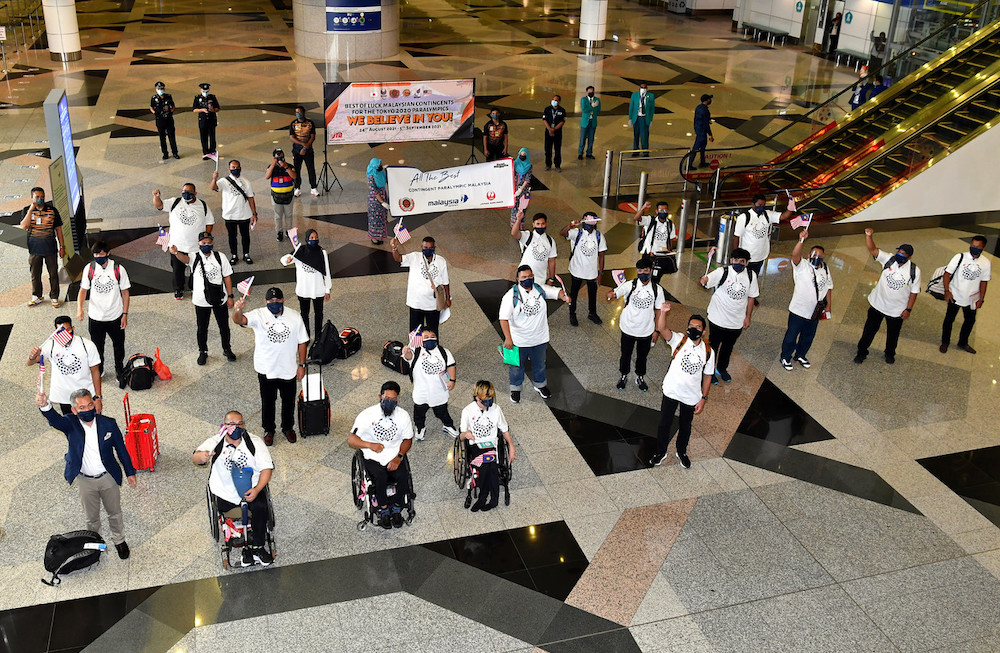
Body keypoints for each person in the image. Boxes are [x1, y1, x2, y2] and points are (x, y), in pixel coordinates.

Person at [36, 388, 136, 560]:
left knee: (115, 512)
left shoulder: (108, 423)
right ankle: (95, 543)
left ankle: (119, 540)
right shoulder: (70, 424)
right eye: (82, 407)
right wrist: (45, 406)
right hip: (85, 480)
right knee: (92, 517)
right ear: (74, 410)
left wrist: (130, 472)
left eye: (90, 404)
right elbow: (55, 421)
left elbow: (121, 449)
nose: (88, 409)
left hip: (108, 477)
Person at [193, 411, 274, 566]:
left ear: (243, 426)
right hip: (225, 492)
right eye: (231, 424)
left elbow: (266, 469)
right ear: (224, 426)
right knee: (228, 509)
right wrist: (201, 457)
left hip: (252, 489)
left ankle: (256, 547)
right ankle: (238, 537)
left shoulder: (254, 442)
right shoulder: (215, 441)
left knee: (260, 507)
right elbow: (196, 457)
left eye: (239, 424)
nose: (235, 428)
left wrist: (257, 490)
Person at [233, 288, 308, 447]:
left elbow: (302, 342)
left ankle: (288, 427)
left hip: (288, 368)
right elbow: (239, 320)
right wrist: (238, 309)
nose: (274, 303)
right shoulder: (259, 315)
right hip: (266, 368)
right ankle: (269, 430)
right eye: (270, 301)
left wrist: (301, 365)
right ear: (266, 302)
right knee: (268, 401)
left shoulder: (294, 316)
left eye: (277, 301)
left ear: (283, 300)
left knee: (288, 401)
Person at [647, 309, 714, 470]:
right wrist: (662, 312)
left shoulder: (708, 351)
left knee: (686, 425)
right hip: (671, 391)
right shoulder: (679, 340)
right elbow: (662, 329)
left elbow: (708, 375)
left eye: (697, 327)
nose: (693, 329)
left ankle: (681, 452)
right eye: (690, 325)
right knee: (665, 423)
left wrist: (703, 398)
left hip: (691, 396)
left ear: (703, 331)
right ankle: (661, 452)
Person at [498, 265, 570, 403]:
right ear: (518, 279)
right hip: (519, 341)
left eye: (530, 276)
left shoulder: (539, 289)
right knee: (516, 368)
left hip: (540, 338)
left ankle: (540, 385)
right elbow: (503, 318)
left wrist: (564, 296)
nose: (528, 279)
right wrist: (508, 338)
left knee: (540, 364)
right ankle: (515, 388)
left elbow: (556, 292)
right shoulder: (510, 296)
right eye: (524, 277)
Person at [348, 381, 414, 529]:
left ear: (397, 400)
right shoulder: (367, 415)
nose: (390, 403)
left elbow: (408, 440)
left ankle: (397, 507)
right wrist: (370, 445)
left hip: (394, 454)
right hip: (372, 455)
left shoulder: (403, 416)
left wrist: (399, 457)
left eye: (393, 400)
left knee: (403, 475)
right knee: (380, 477)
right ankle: (383, 509)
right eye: (387, 399)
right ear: (380, 397)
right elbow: (351, 440)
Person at [854, 229, 921, 365]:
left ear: (909, 258)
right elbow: (872, 250)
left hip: (896, 310)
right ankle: (861, 352)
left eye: (903, 254)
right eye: (899, 252)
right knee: (869, 331)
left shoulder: (914, 271)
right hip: (877, 304)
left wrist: (908, 309)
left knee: (893, 335)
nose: (899, 255)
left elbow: (914, 292)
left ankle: (889, 354)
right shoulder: (889, 259)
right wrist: (869, 236)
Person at [170, 232, 236, 366]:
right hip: (201, 300)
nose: (206, 245)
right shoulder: (195, 257)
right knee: (202, 328)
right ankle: (203, 351)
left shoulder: (220, 257)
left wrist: (230, 296)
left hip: (220, 298)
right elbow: (185, 259)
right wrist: (176, 253)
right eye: (203, 243)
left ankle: (227, 348)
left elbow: (227, 277)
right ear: (199, 244)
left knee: (224, 326)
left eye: (208, 242)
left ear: (212, 243)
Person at [699, 247, 758, 384]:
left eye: (742, 261)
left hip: (736, 321)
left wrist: (748, 316)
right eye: (736, 260)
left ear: (747, 263)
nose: (738, 263)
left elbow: (751, 298)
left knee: (728, 346)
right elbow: (706, 282)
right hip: (717, 318)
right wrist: (703, 280)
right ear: (731, 260)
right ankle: (709, 370)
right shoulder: (722, 272)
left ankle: (722, 368)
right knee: (713, 346)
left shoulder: (751, 276)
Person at [608, 256, 665, 392]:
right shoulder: (630, 285)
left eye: (645, 270)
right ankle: (624, 375)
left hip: (646, 331)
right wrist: (611, 294)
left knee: (642, 356)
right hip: (628, 328)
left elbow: (659, 311)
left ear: (651, 270)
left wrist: (657, 331)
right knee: (625, 354)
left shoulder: (657, 290)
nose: (642, 274)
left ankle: (640, 376)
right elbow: (616, 292)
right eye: (639, 271)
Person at [77, 241, 131, 384]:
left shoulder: (118, 269)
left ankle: (119, 370)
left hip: (115, 316)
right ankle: (99, 370)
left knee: (119, 346)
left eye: (100, 253)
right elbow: (83, 291)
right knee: (97, 347)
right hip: (95, 317)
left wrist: (125, 314)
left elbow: (125, 293)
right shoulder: (90, 268)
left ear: (108, 253)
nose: (98, 256)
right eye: (95, 254)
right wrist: (80, 308)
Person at [779, 230, 833, 371]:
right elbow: (795, 255)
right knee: (791, 336)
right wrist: (801, 240)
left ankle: (801, 355)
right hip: (798, 310)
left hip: (815, 312)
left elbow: (828, 288)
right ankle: (785, 356)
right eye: (814, 255)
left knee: (808, 337)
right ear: (809, 255)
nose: (817, 258)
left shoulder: (825, 268)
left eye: (820, 256)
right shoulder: (802, 266)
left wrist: (828, 307)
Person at [458, 380, 516, 512]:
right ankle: (489, 497)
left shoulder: (496, 409)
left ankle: (486, 497)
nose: (488, 403)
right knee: (487, 465)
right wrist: (466, 434)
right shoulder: (467, 411)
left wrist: (511, 446)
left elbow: (504, 429)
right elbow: (460, 436)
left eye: (490, 399)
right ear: (477, 398)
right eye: (485, 400)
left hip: (492, 445)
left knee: (489, 463)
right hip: (476, 445)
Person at [28, 316, 103, 415]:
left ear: (73, 328)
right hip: (64, 397)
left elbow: (95, 371)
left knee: (93, 424)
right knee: (72, 426)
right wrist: (32, 356)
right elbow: (30, 362)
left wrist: (98, 397)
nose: (65, 334)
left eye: (68, 330)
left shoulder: (87, 345)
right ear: (55, 332)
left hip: (86, 395)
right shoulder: (51, 345)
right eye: (61, 331)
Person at [153, 182, 215, 300]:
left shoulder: (202, 205)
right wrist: (156, 197)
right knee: (177, 271)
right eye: (184, 192)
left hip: (195, 248)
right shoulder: (174, 202)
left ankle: (194, 287)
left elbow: (210, 222)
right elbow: (159, 206)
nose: (186, 194)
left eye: (189, 192)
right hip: (177, 247)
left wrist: (205, 238)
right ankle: (178, 289)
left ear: (195, 193)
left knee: (196, 270)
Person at [402, 326, 458, 441]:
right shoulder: (416, 351)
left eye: (433, 336)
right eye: (426, 337)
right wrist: (406, 352)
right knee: (419, 413)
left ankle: (448, 425)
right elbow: (408, 357)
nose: (430, 339)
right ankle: (420, 427)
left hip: (439, 392)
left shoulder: (444, 352)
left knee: (442, 411)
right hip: (421, 392)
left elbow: (451, 365)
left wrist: (452, 380)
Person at [940, 235, 990, 355]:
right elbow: (947, 274)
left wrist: (981, 299)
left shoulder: (986, 263)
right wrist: (947, 291)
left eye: (977, 247)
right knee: (949, 320)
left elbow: (984, 281)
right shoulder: (960, 257)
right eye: (972, 246)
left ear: (983, 247)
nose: (974, 248)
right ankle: (945, 342)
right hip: (955, 295)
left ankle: (963, 342)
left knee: (969, 321)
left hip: (972, 298)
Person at [393, 235, 450, 335]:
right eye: (425, 248)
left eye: (430, 248)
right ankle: (416, 350)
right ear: (421, 247)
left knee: (433, 332)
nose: (428, 250)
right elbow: (398, 258)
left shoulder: (441, 261)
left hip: (433, 304)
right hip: (416, 303)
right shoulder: (414, 257)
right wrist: (394, 248)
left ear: (434, 248)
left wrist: (448, 298)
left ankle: (433, 349)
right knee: (415, 333)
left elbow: (445, 282)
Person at [20, 187, 65, 307]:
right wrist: (31, 210)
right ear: (32, 198)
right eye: (37, 197)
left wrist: (62, 246)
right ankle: (37, 296)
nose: (40, 199)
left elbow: (59, 229)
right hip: (34, 248)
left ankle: (54, 296)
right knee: (35, 274)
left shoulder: (52, 210)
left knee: (53, 273)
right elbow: (24, 226)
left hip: (50, 247)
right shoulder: (27, 210)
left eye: (42, 197)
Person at [281, 229, 331, 338]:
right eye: (311, 238)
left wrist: (328, 289)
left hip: (318, 290)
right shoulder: (300, 251)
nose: (314, 240)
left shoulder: (322, 252)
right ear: (307, 238)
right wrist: (288, 259)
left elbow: (326, 271)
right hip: (303, 290)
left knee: (319, 314)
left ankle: (318, 336)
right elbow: (283, 260)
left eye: (316, 237)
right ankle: (305, 336)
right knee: (304, 314)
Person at [560, 212, 607, 327]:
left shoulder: (599, 236)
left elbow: (601, 255)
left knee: (592, 293)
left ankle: (592, 313)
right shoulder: (577, 233)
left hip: (592, 272)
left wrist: (600, 273)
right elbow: (562, 233)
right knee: (574, 293)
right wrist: (571, 225)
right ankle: (572, 313)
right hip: (576, 270)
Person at [732, 193, 795, 276]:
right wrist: (736, 256)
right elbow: (737, 237)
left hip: (761, 256)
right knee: (742, 278)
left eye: (763, 205)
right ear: (753, 204)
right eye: (759, 204)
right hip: (746, 257)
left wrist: (790, 207)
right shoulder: (744, 217)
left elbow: (783, 216)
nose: (761, 207)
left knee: (754, 277)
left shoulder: (767, 214)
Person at [211, 159, 257, 265]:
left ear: (240, 168)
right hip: (229, 215)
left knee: (245, 235)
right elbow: (213, 187)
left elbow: (251, 198)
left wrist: (254, 213)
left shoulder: (246, 182)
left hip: (244, 214)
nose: (235, 169)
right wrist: (214, 179)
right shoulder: (224, 181)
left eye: (237, 167)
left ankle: (246, 254)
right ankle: (234, 255)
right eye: (233, 167)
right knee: (232, 236)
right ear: (229, 169)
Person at [633, 200, 677, 286]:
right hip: (649, 254)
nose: (663, 212)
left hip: (661, 255)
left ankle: (653, 291)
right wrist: (644, 208)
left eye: (665, 210)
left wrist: (670, 251)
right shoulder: (650, 220)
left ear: (668, 211)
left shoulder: (670, 224)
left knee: (656, 278)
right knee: (644, 276)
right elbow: (637, 218)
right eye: (660, 210)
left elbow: (670, 239)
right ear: (656, 211)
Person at [511, 210, 557, 283]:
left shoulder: (550, 241)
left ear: (546, 224)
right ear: (533, 224)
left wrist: (551, 278)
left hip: (540, 279)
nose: (540, 226)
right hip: (524, 277)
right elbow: (514, 233)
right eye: (538, 224)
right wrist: (518, 220)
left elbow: (552, 261)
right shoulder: (527, 236)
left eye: (543, 224)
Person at [265, 148, 296, 243]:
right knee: (277, 216)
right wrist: (273, 165)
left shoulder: (290, 166)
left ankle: (289, 231)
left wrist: (286, 167)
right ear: (273, 157)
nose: (279, 159)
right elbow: (267, 176)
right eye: (277, 157)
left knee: (289, 215)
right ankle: (279, 232)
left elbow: (294, 176)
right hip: (275, 196)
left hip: (289, 195)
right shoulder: (271, 167)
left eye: (281, 156)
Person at [289, 105, 319, 197]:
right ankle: (297, 188)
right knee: (297, 169)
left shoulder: (310, 123)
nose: (298, 114)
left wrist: (306, 147)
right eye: (296, 112)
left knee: (311, 169)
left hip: (308, 150)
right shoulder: (293, 124)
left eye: (300, 112)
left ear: (304, 112)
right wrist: (302, 145)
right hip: (297, 150)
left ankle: (313, 188)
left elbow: (313, 136)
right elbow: (292, 137)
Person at [150, 81, 179, 160]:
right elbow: (151, 107)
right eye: (159, 88)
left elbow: (173, 106)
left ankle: (175, 152)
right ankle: (165, 153)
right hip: (160, 120)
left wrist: (171, 111)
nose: (160, 90)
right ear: (156, 89)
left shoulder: (168, 97)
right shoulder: (154, 98)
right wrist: (155, 113)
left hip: (169, 119)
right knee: (162, 138)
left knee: (171, 137)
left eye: (162, 88)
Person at [192, 82, 220, 158]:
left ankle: (212, 151)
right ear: (201, 90)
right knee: (203, 137)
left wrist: (213, 110)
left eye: (207, 91)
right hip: (203, 121)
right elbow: (194, 109)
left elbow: (218, 108)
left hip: (211, 120)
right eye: (204, 91)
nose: (205, 93)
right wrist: (202, 110)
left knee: (212, 137)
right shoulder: (197, 98)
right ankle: (205, 152)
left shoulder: (212, 97)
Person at [688, 94, 714, 170]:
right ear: (707, 100)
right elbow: (706, 124)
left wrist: (695, 130)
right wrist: (710, 134)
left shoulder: (698, 107)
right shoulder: (705, 110)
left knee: (702, 147)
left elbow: (697, 119)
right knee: (696, 148)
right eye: (709, 99)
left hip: (698, 130)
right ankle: (689, 164)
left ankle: (702, 162)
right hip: (702, 132)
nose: (710, 100)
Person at [628, 82, 655, 156]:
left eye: (644, 88)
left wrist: (651, 120)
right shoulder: (634, 95)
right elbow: (631, 107)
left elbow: (652, 109)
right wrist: (630, 118)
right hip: (636, 117)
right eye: (642, 88)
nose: (643, 89)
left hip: (644, 118)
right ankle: (635, 150)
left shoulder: (651, 96)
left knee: (644, 136)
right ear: (639, 88)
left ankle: (645, 151)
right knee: (636, 135)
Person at [367, 158, 389, 245]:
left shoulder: (379, 172)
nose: (381, 166)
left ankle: (380, 236)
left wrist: (385, 168)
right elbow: (374, 191)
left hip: (382, 196)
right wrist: (382, 202)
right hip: (375, 201)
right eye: (379, 165)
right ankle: (374, 238)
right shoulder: (371, 176)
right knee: (375, 219)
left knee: (381, 218)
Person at [542, 94, 566, 171]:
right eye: (553, 100)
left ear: (559, 102)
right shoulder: (547, 109)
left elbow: (562, 121)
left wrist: (554, 129)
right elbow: (544, 120)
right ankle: (548, 164)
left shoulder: (562, 110)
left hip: (557, 133)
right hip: (548, 132)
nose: (554, 101)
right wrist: (550, 129)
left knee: (557, 149)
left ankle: (557, 165)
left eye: (556, 100)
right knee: (547, 149)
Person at [578, 86, 601, 160]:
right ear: (587, 92)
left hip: (593, 121)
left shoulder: (597, 100)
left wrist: (593, 111)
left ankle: (589, 153)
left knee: (591, 138)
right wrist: (592, 107)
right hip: (585, 122)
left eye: (592, 91)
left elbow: (598, 110)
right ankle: (580, 153)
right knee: (583, 138)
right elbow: (584, 109)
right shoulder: (583, 100)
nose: (591, 93)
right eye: (589, 91)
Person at [511, 148, 533, 227]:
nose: (522, 156)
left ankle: (520, 225)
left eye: (524, 155)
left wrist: (520, 189)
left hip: (524, 190)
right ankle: (514, 225)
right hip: (514, 188)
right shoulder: (515, 163)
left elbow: (527, 179)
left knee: (522, 208)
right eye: (521, 155)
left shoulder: (529, 166)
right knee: (514, 206)